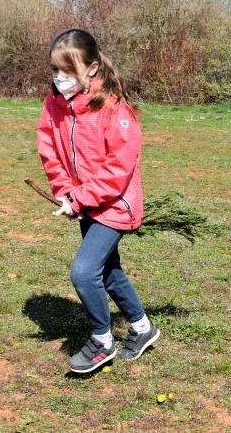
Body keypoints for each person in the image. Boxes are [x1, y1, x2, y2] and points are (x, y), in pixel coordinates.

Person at [37, 28, 159, 373]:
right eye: (54, 69)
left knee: (84, 271)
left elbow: (118, 169)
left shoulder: (113, 109)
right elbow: (50, 149)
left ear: (91, 68)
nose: (59, 77)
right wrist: (65, 191)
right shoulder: (54, 104)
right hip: (86, 203)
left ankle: (102, 341)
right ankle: (142, 327)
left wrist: (79, 199)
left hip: (114, 204)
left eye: (67, 70)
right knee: (107, 272)